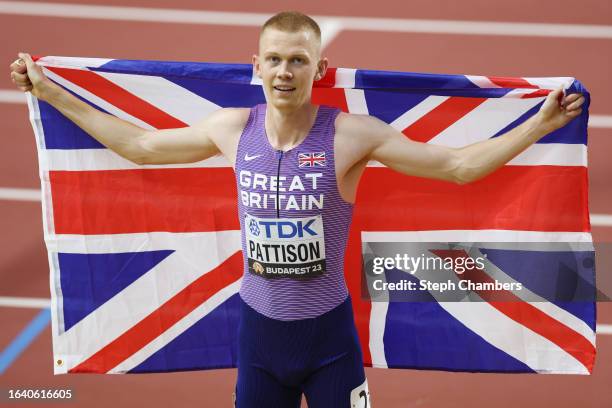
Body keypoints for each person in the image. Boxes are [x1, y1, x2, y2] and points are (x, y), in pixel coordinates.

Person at [9, 11, 584, 408]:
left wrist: (540, 123)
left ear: (320, 68)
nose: (285, 72)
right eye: (275, 60)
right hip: (258, 339)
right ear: (255, 66)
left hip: (329, 340)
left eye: (298, 61)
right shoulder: (233, 130)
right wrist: (49, 90)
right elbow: (139, 146)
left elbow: (459, 167)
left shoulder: (352, 137)